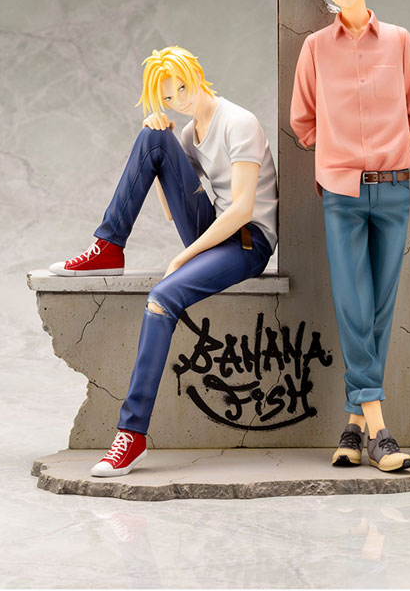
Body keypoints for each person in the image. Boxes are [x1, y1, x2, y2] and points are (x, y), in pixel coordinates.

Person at [50, 46, 278, 476]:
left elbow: (243, 209)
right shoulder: (190, 133)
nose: (179, 100)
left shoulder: (239, 122)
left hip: (248, 242)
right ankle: (108, 247)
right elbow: (174, 211)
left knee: (162, 297)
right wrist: (162, 142)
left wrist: (185, 256)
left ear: (198, 74)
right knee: (152, 138)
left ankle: (132, 435)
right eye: (169, 97)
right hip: (214, 232)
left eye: (183, 88)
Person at [290, 0, 410, 472]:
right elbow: (303, 122)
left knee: (379, 309)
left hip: (393, 189)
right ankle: (379, 429)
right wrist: (340, 157)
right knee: (354, 304)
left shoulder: (399, 41)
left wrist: (393, 152)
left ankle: (351, 428)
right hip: (342, 194)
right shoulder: (315, 48)